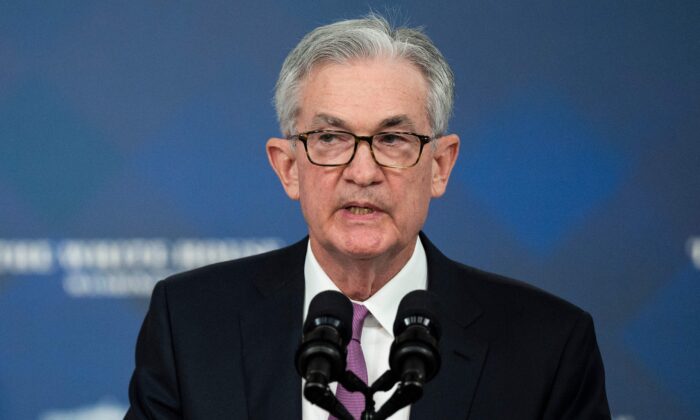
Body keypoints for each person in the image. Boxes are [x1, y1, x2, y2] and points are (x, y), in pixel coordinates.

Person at [126, 14, 611, 420]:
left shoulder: (548, 346)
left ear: (440, 166)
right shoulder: (189, 322)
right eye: (331, 139)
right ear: (288, 167)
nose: (362, 172)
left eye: (393, 140)